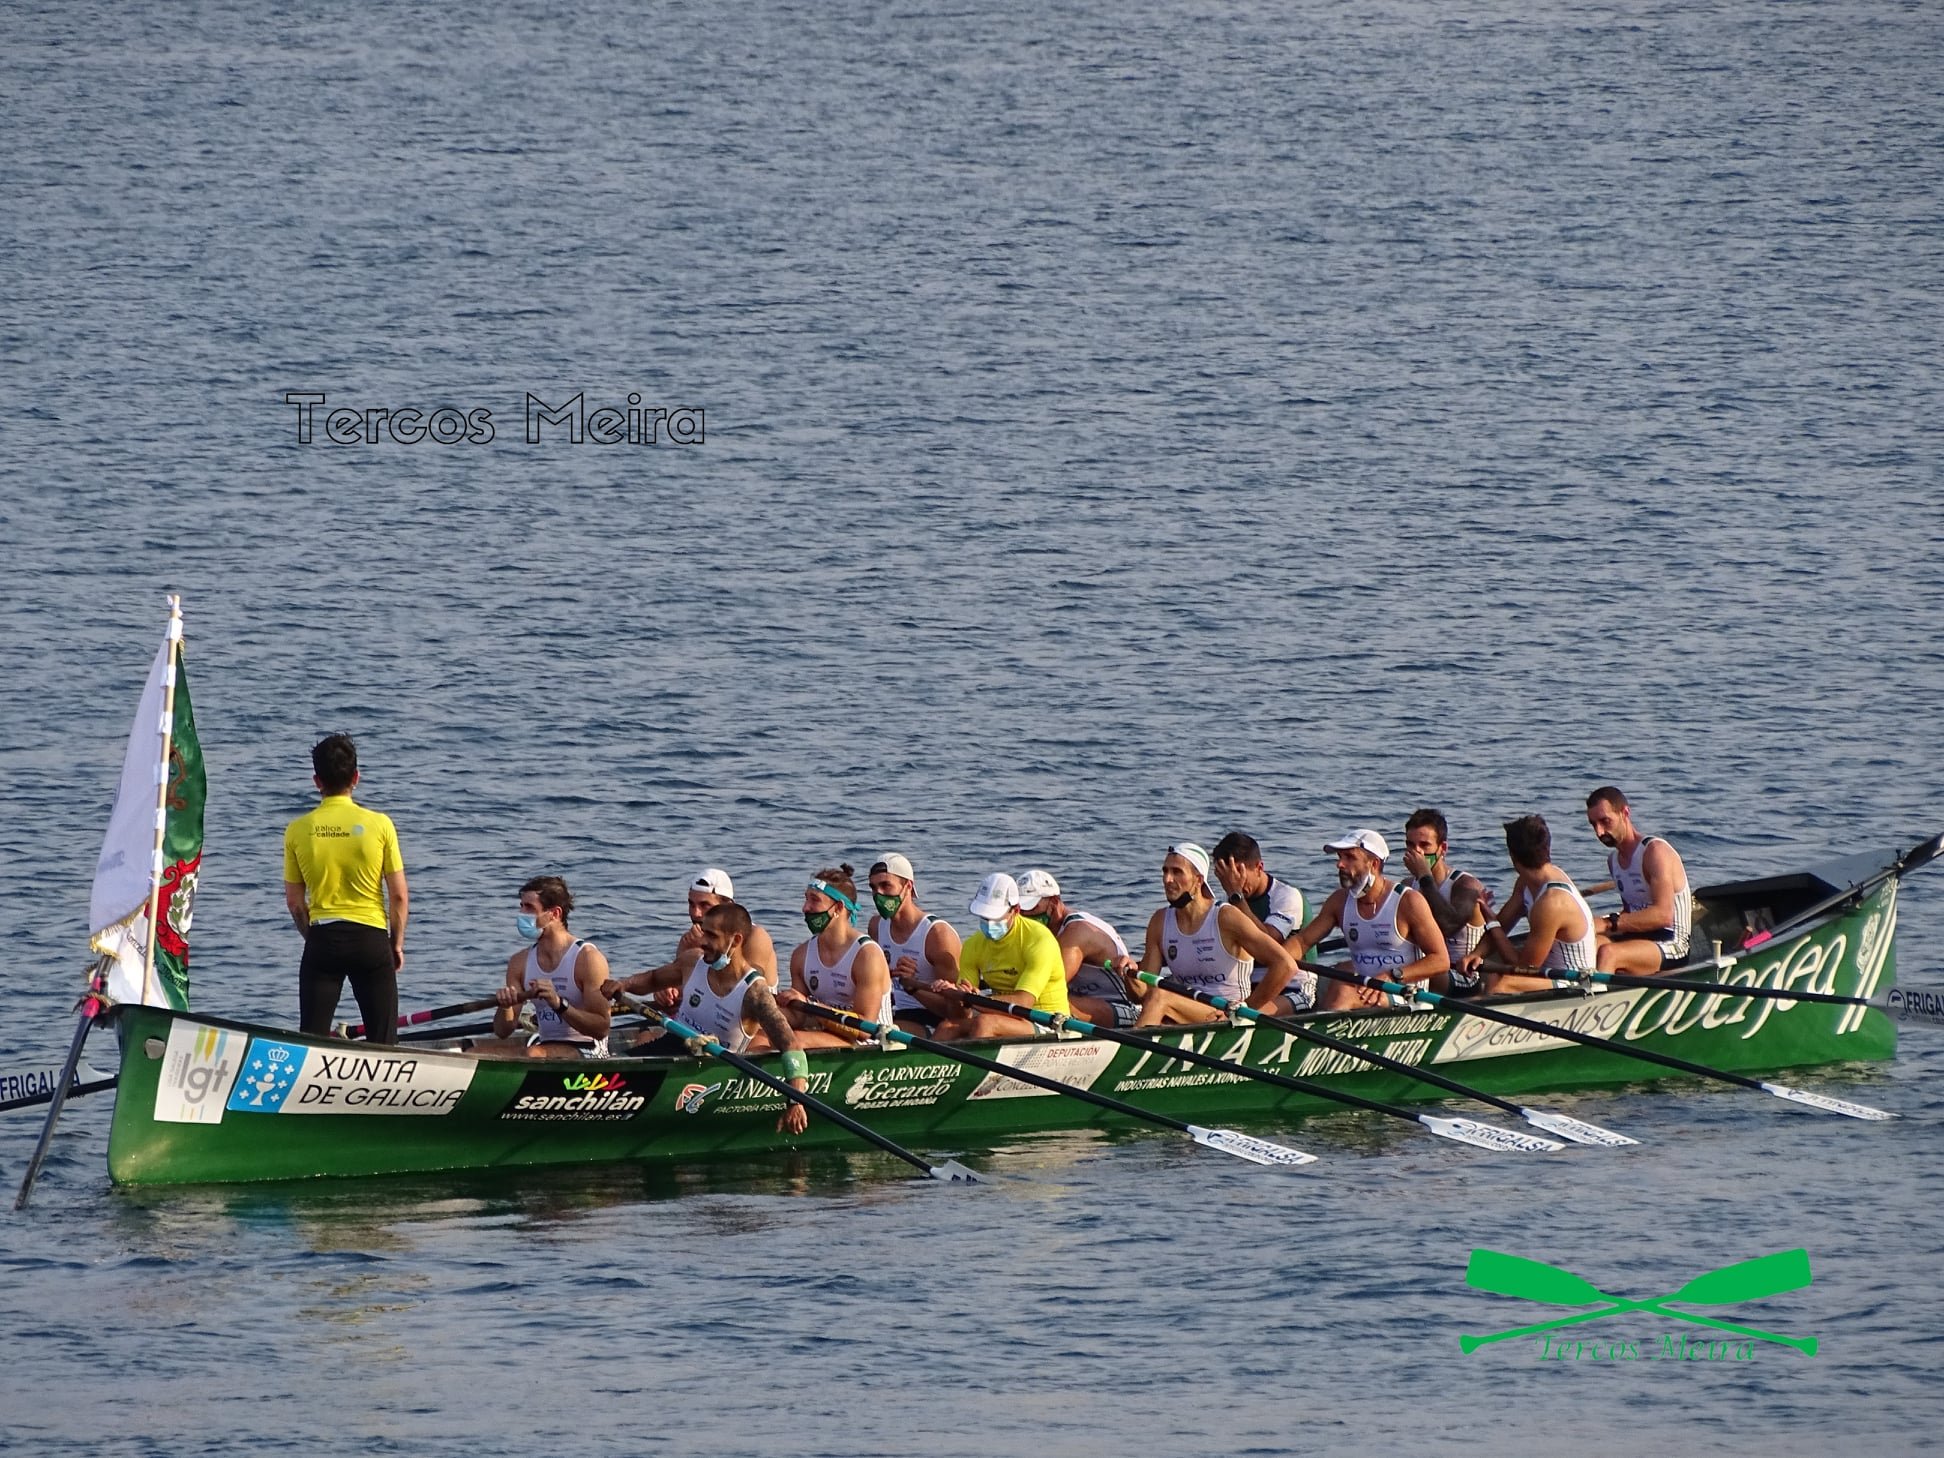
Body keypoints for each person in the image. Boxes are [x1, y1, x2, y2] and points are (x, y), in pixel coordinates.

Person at [603, 902, 809, 1134]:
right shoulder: (693, 962)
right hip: (671, 1045)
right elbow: (652, 979)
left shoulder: (754, 992)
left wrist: (796, 1101)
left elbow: (791, 1047)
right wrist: (623, 984)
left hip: (711, 1070)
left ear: (736, 940)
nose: (702, 941)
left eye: (711, 936)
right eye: (703, 932)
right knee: (607, 1073)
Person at [282, 733, 408, 1042]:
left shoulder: (297, 830)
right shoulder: (380, 824)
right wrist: (396, 944)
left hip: (323, 938)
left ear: (316, 781)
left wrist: (316, 939)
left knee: (311, 1038)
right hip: (371, 938)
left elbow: (296, 904)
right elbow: (399, 896)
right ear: (356, 777)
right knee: (383, 1039)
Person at [1133, 843, 1301, 1027]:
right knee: (1155, 997)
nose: (1167, 879)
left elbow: (1285, 965)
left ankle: (1128, 1053)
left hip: (1224, 1014)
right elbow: (1143, 992)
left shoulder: (1225, 917)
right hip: (1185, 1009)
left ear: (1198, 880)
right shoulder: (1159, 921)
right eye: (1165, 871)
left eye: (1177, 872)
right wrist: (1128, 971)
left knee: (1160, 996)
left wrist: (1247, 1010)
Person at [1290, 830, 1450, 1011]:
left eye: (1350, 857)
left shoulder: (1408, 902)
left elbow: (1441, 960)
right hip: (1365, 986)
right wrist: (1276, 961)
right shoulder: (1339, 901)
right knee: (1331, 977)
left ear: (1374, 864)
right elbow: (1302, 942)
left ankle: (1320, 1030)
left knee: (1342, 991)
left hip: (1405, 992)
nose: (1340, 864)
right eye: (1340, 857)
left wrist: (1392, 976)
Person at [476, 876, 613, 1058]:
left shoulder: (588, 959)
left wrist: (558, 1004)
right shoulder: (519, 962)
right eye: (521, 905)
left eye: (529, 907)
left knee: (533, 1053)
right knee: (472, 1053)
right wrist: (505, 1007)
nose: (521, 913)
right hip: (545, 1045)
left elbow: (601, 1028)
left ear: (555, 914)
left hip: (590, 1048)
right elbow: (503, 1032)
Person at [1465, 815, 1599, 994]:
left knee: (1501, 983)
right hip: (1548, 973)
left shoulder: (1552, 903)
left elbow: (1524, 969)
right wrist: (1476, 954)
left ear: (1513, 857)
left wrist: (1491, 922)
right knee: (1494, 971)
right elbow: (1503, 924)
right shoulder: (1525, 883)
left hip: (1574, 982)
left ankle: (1476, 1020)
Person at [929, 872, 1071, 1039]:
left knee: (985, 1023)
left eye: (995, 917)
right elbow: (959, 1016)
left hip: (1048, 1021)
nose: (989, 923)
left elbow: (1024, 1002)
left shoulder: (1039, 940)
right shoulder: (972, 945)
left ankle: (977, 1064)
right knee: (947, 1027)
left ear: (1015, 910)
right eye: (984, 917)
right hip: (1005, 1016)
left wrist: (976, 998)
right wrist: (955, 996)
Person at [777, 865, 895, 1048]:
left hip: (873, 1042)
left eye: (814, 900)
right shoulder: (801, 955)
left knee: (796, 1040)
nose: (805, 908)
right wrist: (764, 1008)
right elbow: (798, 1017)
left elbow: (865, 1029)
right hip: (829, 1033)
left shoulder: (867, 956)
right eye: (806, 899)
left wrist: (810, 1005)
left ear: (838, 908)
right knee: (763, 1036)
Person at [1586, 787, 1694, 971]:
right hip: (1641, 938)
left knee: (1609, 953)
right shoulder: (1613, 861)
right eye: (1593, 824)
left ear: (1625, 813)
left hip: (1673, 942)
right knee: (1588, 945)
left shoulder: (1655, 852)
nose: (1599, 832)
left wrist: (1606, 923)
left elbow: (1663, 916)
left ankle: (1595, 997)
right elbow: (1630, 912)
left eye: (1605, 821)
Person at [1015, 868, 1138, 1028]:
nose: (1024, 915)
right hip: (1081, 1001)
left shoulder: (1076, 932)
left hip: (1123, 1007)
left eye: (1031, 908)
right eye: (1020, 909)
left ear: (1053, 902)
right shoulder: (1038, 930)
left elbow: (1046, 987)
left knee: (1049, 1001)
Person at [632, 868, 780, 1001]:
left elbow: (744, 989)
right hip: (704, 1019)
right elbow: (681, 986)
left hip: (749, 1024)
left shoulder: (756, 937)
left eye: (704, 905)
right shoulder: (690, 940)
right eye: (691, 904)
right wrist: (667, 991)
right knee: (646, 1033)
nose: (696, 913)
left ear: (727, 906)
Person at [1210, 831, 1314, 1013]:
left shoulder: (1287, 896)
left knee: (1239, 1016)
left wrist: (1236, 896)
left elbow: (1268, 943)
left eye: (1239, 874)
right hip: (1246, 985)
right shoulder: (1229, 900)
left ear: (1259, 867)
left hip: (1294, 986)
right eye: (1225, 877)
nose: (1234, 882)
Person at [866, 852, 963, 1034]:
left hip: (930, 1018)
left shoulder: (938, 935)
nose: (878, 893)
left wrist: (913, 987)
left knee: (874, 1034)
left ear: (908, 886)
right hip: (893, 1012)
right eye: (873, 887)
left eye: (886, 885)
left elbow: (955, 1012)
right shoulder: (876, 926)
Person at [1399, 809, 1489, 996]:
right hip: (1419, 969)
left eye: (1424, 845)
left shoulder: (1466, 885)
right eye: (1411, 845)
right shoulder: (1407, 885)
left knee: (1420, 975)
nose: (1417, 852)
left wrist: (1424, 876)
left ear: (1443, 849)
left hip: (1462, 975)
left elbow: (1448, 925)